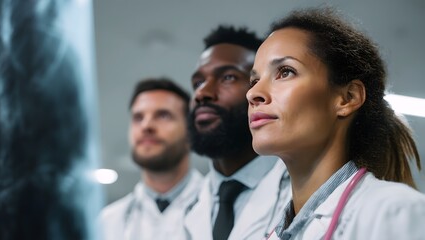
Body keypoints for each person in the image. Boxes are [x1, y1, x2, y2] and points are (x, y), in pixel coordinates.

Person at [247, 7, 425, 240]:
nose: (253, 93)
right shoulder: (271, 233)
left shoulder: (394, 212)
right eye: (254, 80)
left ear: (347, 97)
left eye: (285, 71)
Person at [184, 25, 291, 240]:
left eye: (228, 77)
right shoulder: (187, 204)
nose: (202, 93)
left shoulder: (301, 193)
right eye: (198, 83)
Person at [99, 78, 203, 240]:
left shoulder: (217, 209)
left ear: (190, 132)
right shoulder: (108, 222)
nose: (146, 125)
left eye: (163, 115)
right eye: (138, 117)